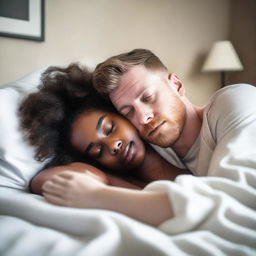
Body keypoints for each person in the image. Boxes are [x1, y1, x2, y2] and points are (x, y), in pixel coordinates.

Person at [19, 63, 189, 225]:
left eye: (109, 129)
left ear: (123, 114)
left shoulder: (185, 145)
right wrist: (105, 182)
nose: (113, 146)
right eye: (98, 151)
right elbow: (43, 181)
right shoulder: (109, 180)